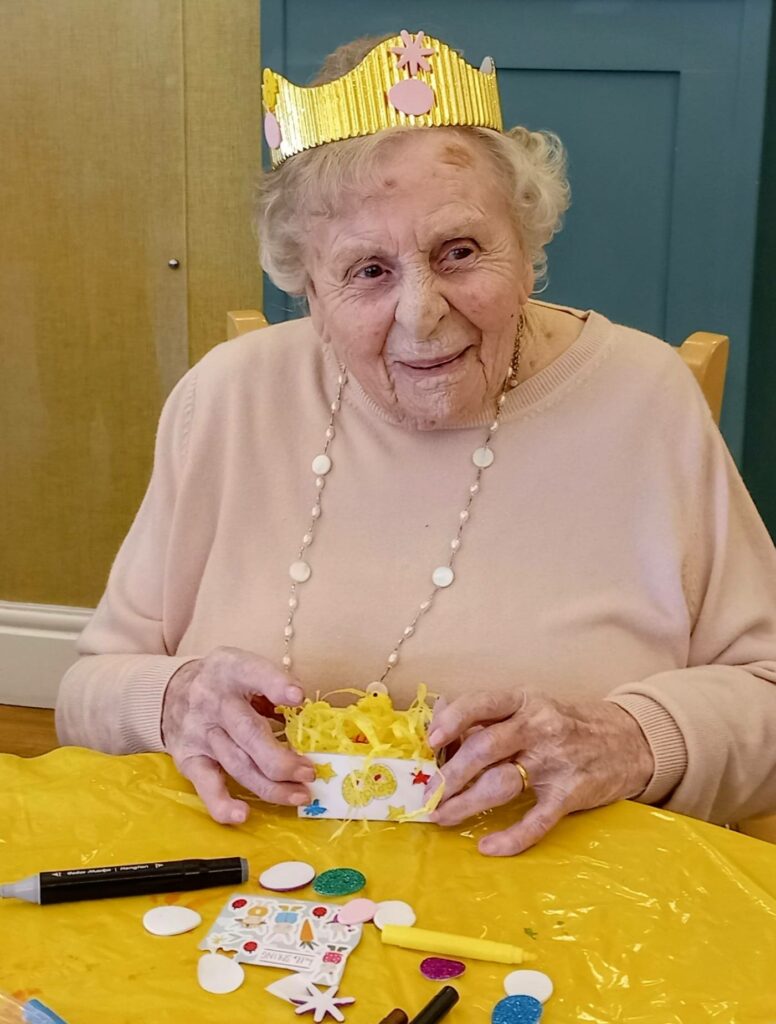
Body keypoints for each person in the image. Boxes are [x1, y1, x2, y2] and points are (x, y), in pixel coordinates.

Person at [56, 31, 776, 856]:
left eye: (460, 252)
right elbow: (87, 689)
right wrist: (173, 697)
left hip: (568, 918)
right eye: (368, 271)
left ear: (530, 245)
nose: (421, 311)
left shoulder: (644, 399)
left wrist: (631, 739)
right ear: (309, 290)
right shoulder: (226, 398)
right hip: (256, 915)